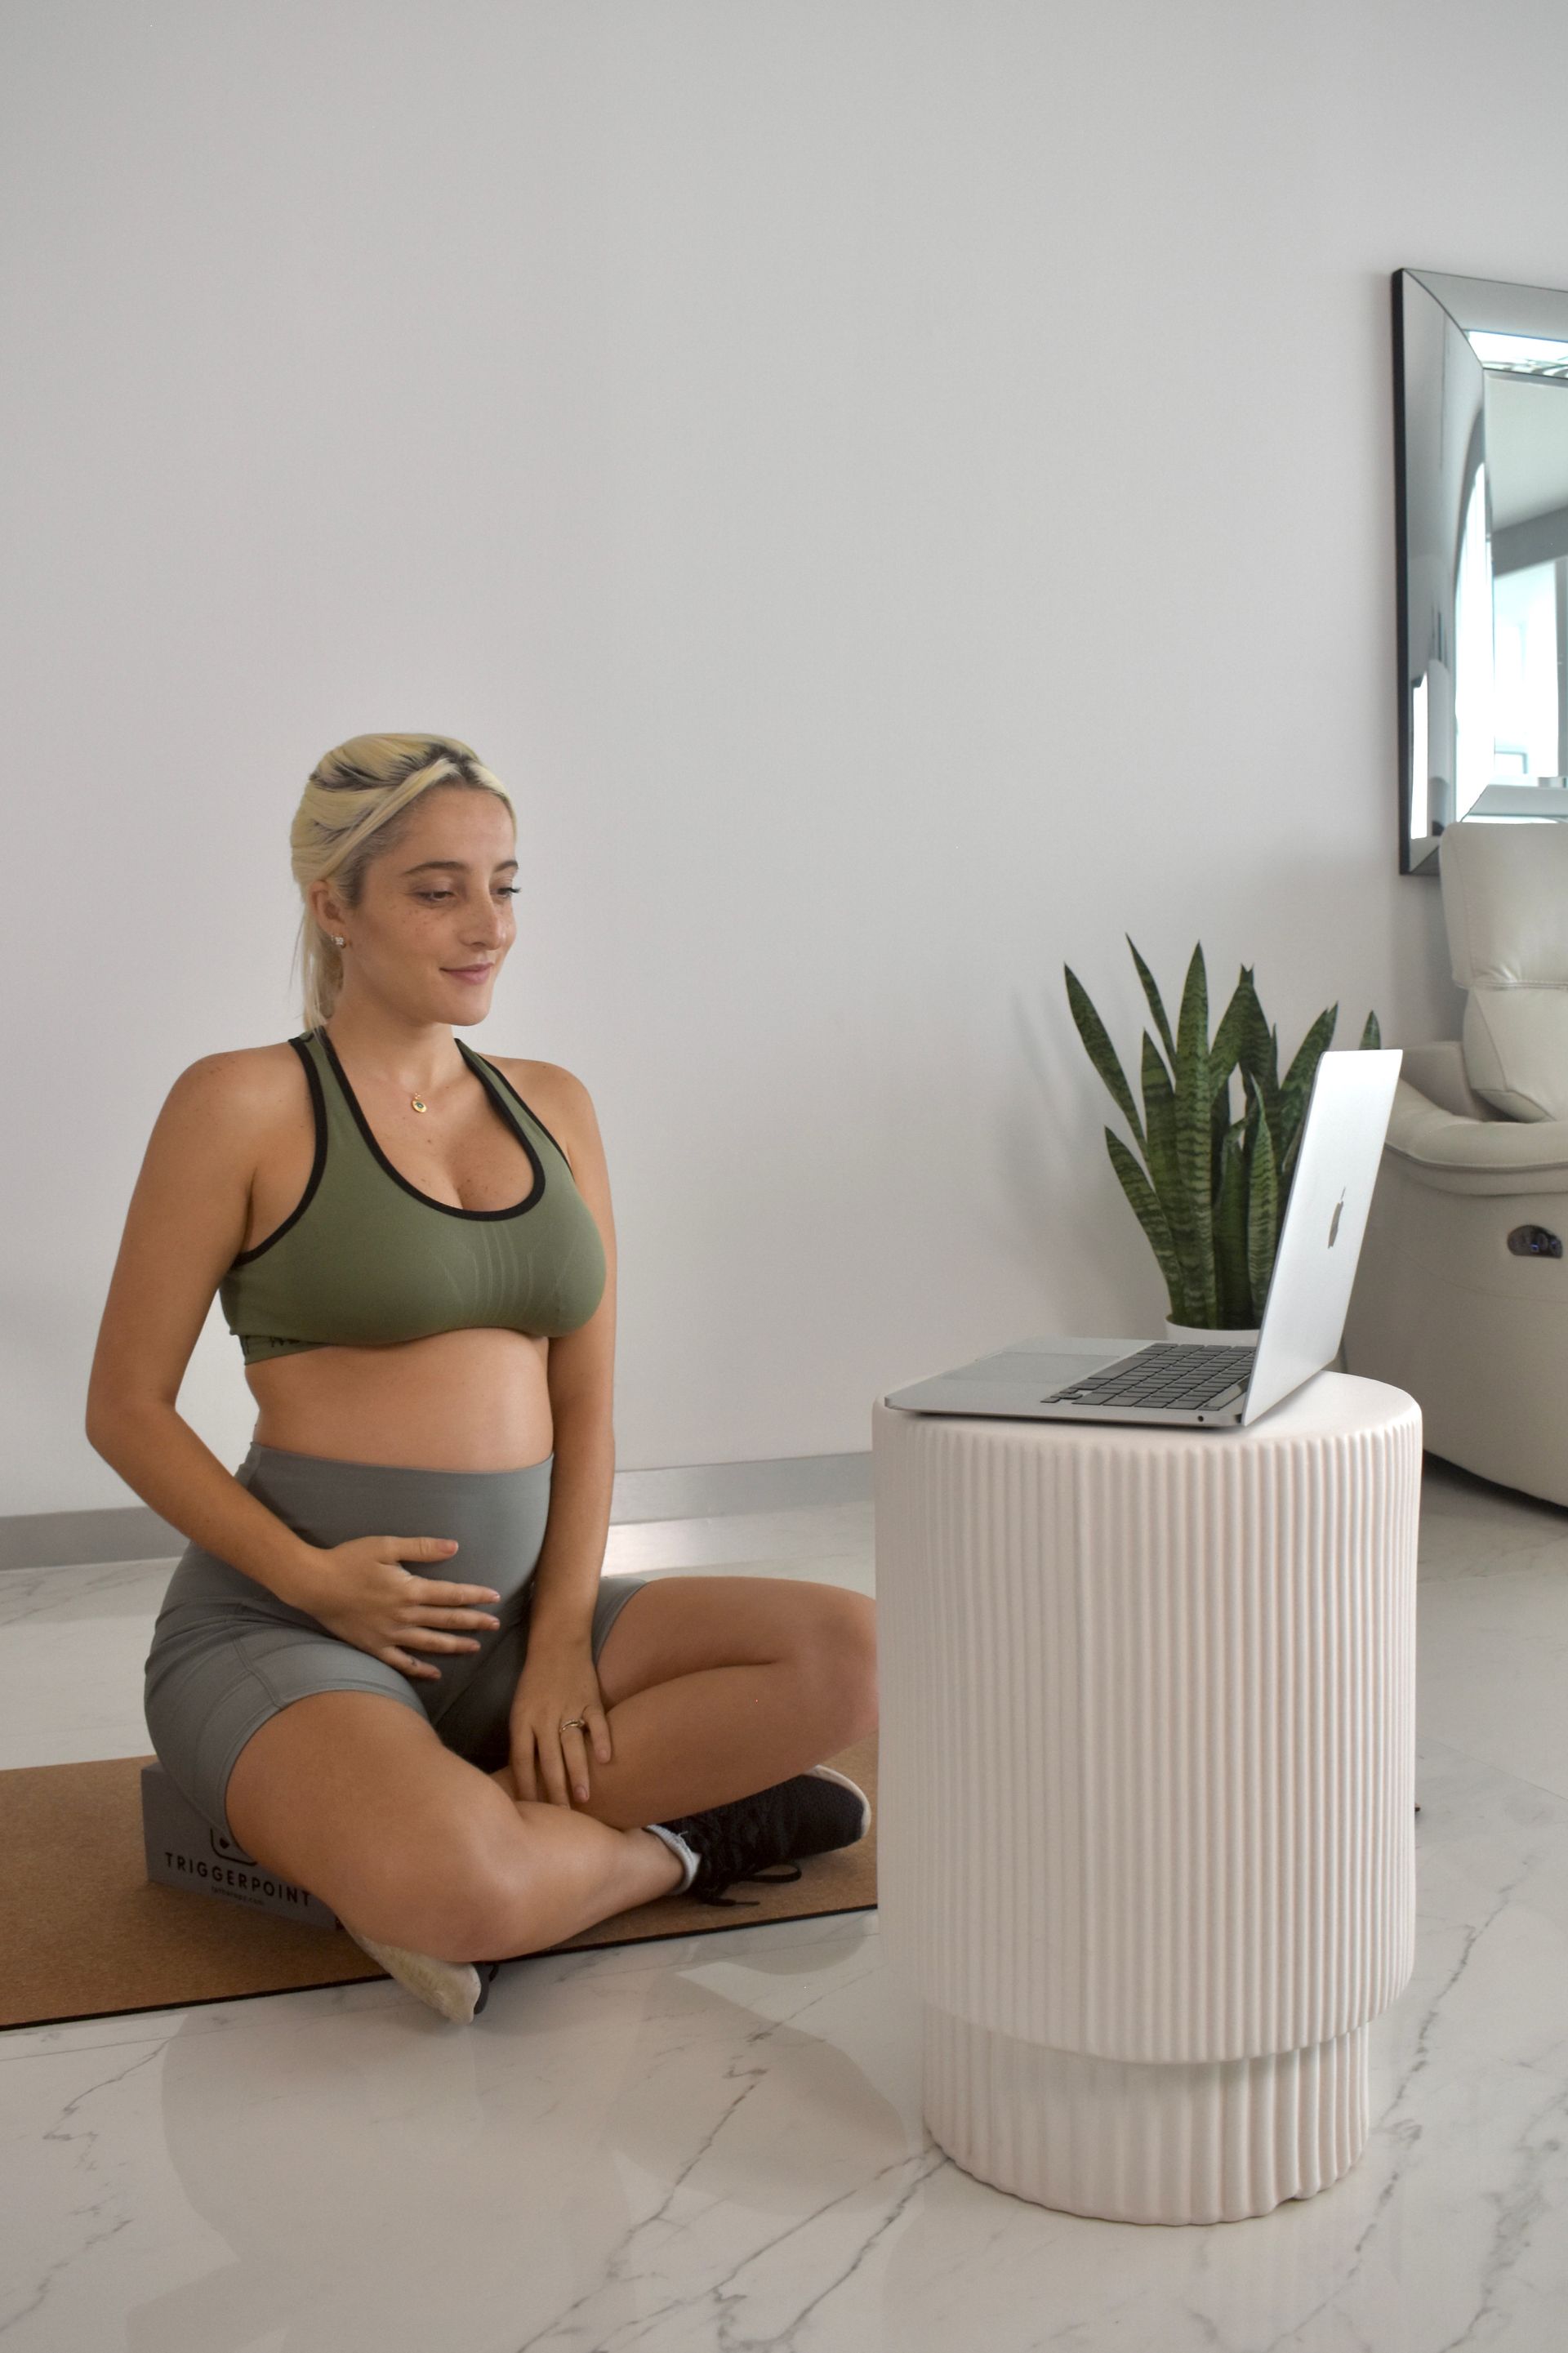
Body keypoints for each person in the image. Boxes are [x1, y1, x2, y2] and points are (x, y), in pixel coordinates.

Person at [86, 734, 878, 2022]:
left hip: (513, 1626)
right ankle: (674, 1841)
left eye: (505, 885)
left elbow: (586, 1407)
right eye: (438, 888)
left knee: (854, 1657)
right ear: (333, 903)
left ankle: (455, 1826)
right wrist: (312, 1580)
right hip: (289, 1627)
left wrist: (561, 1638)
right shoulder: (241, 1104)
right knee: (459, 1888)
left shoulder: (554, 1104)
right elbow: (123, 1407)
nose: (488, 926)